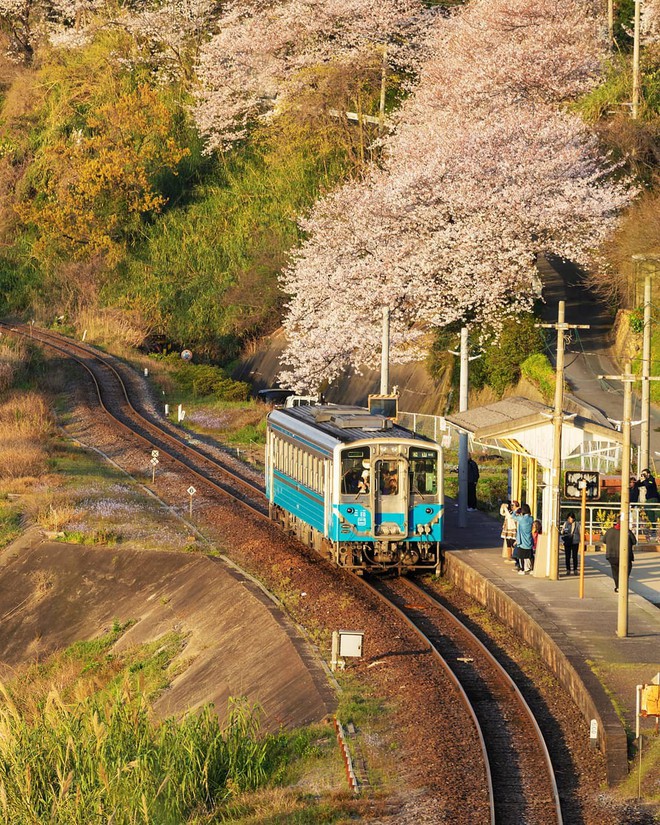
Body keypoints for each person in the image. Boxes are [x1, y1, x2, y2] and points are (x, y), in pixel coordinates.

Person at [603, 517, 636, 593]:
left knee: (615, 571)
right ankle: (622, 586)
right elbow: (634, 541)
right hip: (625, 556)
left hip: (611, 556)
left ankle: (618, 587)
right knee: (626, 570)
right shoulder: (627, 531)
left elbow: (604, 540)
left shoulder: (609, 531)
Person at [511, 503, 534, 574]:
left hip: (522, 541)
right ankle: (532, 569)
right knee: (530, 556)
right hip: (529, 540)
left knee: (521, 556)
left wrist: (516, 510)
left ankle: (522, 569)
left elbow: (513, 516)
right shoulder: (531, 518)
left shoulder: (521, 519)